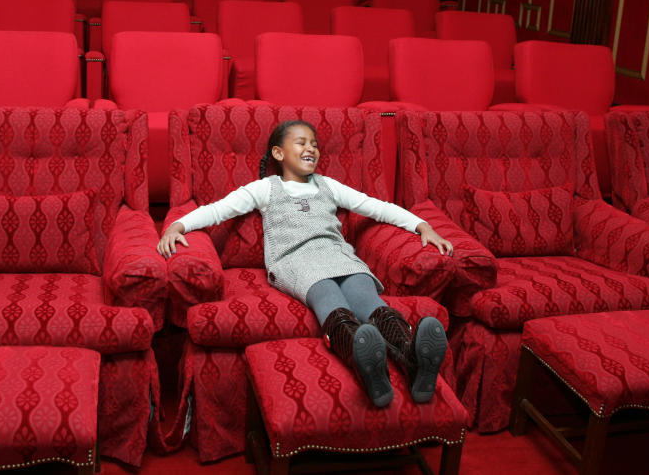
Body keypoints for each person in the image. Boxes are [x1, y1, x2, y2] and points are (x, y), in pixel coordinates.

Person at [158, 120, 453, 407]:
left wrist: (421, 226)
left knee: (366, 295)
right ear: (278, 153)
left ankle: (411, 358)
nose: (311, 147)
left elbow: (376, 206)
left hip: (338, 254)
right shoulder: (265, 188)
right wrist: (178, 226)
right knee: (327, 293)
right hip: (294, 259)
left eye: (314, 143)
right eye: (301, 142)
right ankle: (363, 360)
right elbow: (218, 210)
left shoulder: (328, 185)